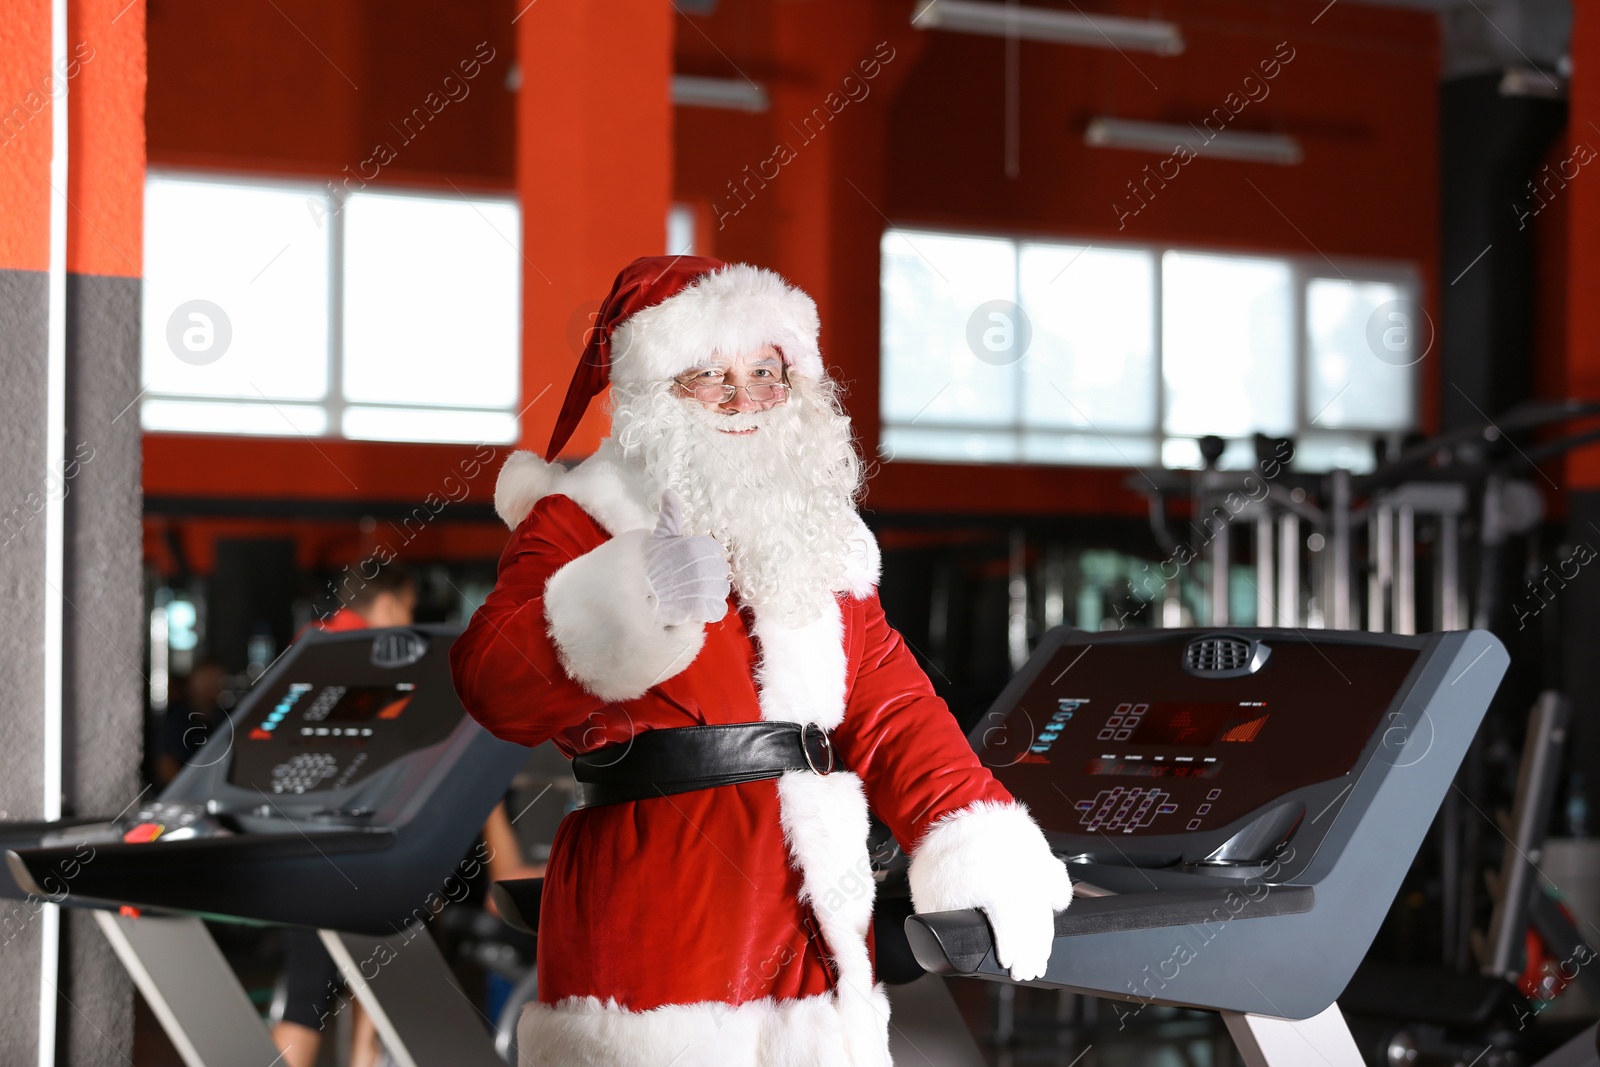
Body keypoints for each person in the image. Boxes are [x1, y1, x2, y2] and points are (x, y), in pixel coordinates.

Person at [450, 256, 1073, 1066]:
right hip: (660, 904)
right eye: (709, 374)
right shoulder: (586, 515)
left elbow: (893, 710)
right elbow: (490, 681)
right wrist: (630, 597)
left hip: (812, 915)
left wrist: (976, 844)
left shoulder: (821, 537)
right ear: (655, 387)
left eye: (765, 371)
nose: (743, 397)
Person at [272, 560, 543, 1067]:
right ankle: (363, 1057)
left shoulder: (311, 650)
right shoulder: (374, 660)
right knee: (358, 978)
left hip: (300, 848)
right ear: (392, 601)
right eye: (409, 610)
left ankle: (360, 1055)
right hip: (355, 855)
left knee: (312, 996)